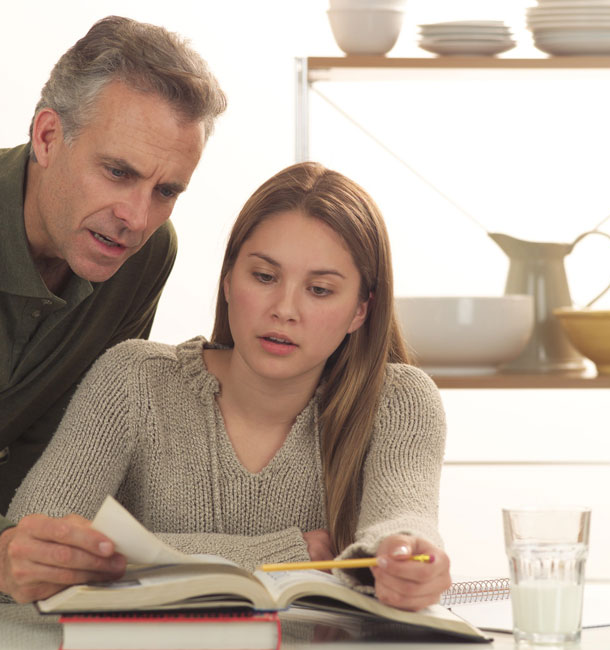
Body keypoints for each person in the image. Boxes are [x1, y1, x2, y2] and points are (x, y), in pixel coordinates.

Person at [7, 162, 451, 610]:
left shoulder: (398, 399)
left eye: (319, 289)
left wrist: (403, 557)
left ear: (360, 310)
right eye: (264, 277)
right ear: (227, 279)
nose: (284, 309)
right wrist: (287, 554)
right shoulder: (134, 378)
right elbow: (33, 550)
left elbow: (403, 519)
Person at [0, 15, 226, 601]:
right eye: (118, 172)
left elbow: (73, 447)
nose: (137, 217)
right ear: (48, 137)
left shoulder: (145, 257)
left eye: (167, 190)